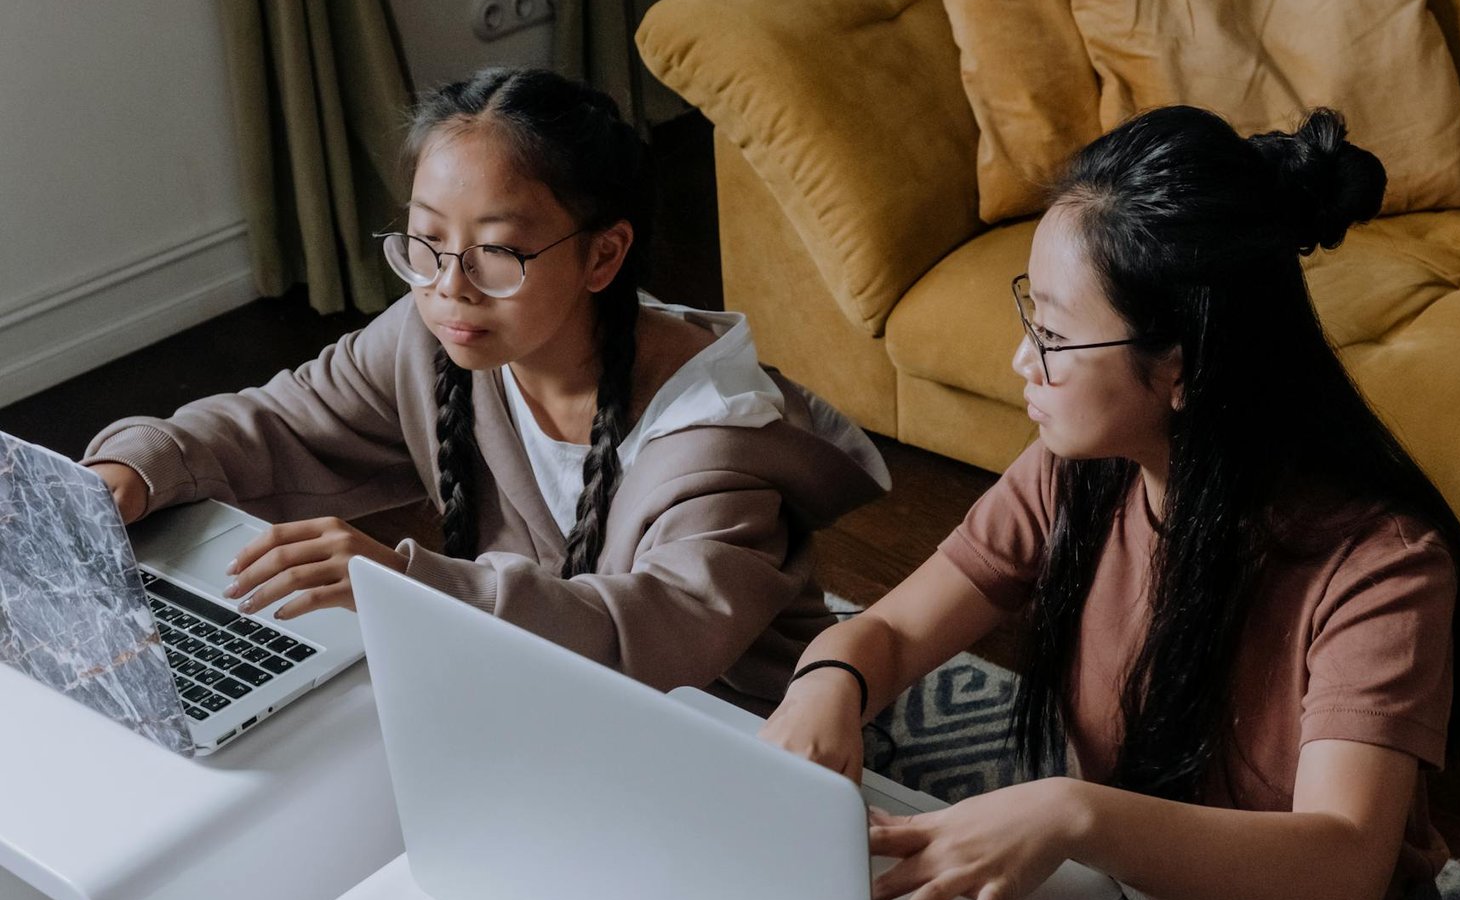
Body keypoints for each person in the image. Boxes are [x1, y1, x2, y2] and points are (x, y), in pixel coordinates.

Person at [760, 106, 1460, 900]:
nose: (1021, 358)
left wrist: (1075, 815)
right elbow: (897, 628)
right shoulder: (1077, 477)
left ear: (1180, 368)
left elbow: (1340, 873)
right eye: (1032, 308)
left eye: (1058, 335)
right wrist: (829, 681)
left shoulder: (1380, 568)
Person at [83, 67, 888, 711]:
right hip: (529, 688)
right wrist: (133, 473)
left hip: (727, 723)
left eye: (497, 253)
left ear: (603, 258)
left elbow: (643, 637)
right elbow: (281, 423)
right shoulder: (438, 332)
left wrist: (408, 585)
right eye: (427, 241)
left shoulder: (721, 438)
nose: (448, 286)